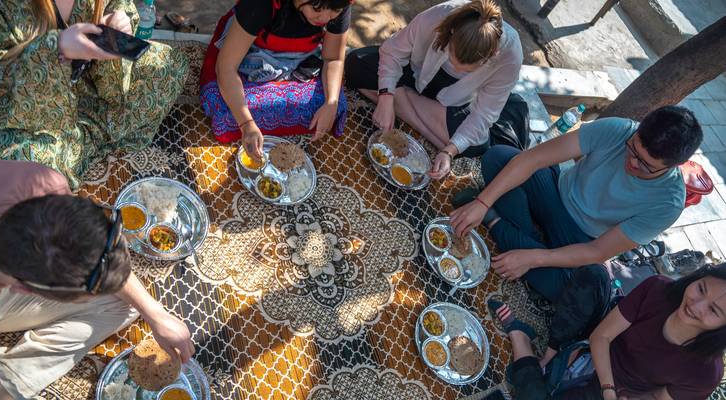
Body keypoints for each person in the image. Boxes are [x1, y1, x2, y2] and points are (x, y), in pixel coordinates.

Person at [450, 105, 703, 365]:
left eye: (646, 166)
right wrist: (482, 203)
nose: (632, 163)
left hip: (581, 238)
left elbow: (597, 252)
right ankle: (507, 229)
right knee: (499, 157)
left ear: (674, 166)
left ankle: (501, 226)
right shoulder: (618, 129)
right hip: (554, 193)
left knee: (570, 291)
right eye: (632, 150)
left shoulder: (668, 203)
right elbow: (532, 159)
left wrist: (534, 258)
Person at [0, 160, 194, 400]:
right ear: (24, 289)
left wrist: (156, 313)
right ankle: (6, 378)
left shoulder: (41, 182)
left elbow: (102, 259)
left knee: (128, 303)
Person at [0, 0, 188, 190]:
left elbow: (119, 5)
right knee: (20, 167)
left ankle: (83, 142)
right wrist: (57, 48)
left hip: (92, 89)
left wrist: (121, 19)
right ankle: (87, 142)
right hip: (31, 116)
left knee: (170, 66)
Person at [344, 0, 523, 179]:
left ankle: (401, 101)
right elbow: (392, 52)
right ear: (452, 31)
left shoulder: (510, 57)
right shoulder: (440, 15)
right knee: (356, 63)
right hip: (413, 77)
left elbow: (483, 115)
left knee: (476, 145)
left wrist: (449, 152)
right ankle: (408, 111)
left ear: (492, 55)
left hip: (451, 105)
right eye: (453, 59)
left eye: (467, 70)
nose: (458, 70)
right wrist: (385, 98)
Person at [494, 265, 726, 399]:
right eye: (700, 288)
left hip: (612, 392)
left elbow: (658, 398)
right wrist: (609, 388)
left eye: (713, 310)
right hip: (595, 349)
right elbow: (601, 337)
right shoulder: (658, 289)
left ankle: (522, 341)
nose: (696, 306)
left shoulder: (704, 374)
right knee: (594, 275)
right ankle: (546, 351)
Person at [200, 0, 351, 159]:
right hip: (254, 54)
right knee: (222, 106)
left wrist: (331, 102)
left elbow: (334, 58)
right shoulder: (261, 4)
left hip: (303, 57)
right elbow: (226, 67)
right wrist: (246, 124)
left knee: (337, 106)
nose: (326, 18)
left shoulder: (339, 2)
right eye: (316, 8)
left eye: (335, 11)